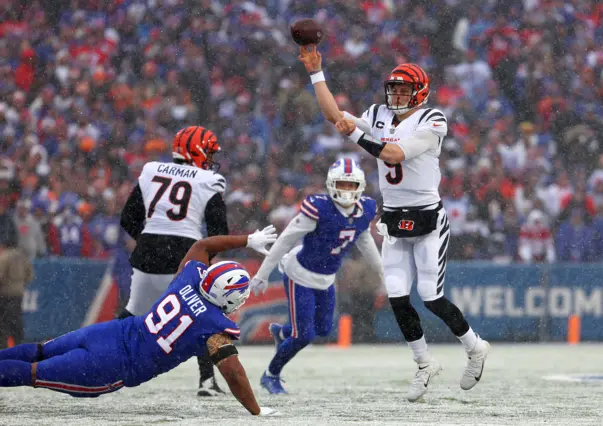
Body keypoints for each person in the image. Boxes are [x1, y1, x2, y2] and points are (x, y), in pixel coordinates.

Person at [298, 45, 490, 402]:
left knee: (431, 297)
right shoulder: (379, 113)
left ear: (420, 92)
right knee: (397, 296)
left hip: (428, 219)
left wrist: (352, 134)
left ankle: (475, 346)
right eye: (394, 89)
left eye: (404, 90)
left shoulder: (434, 120)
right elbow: (333, 114)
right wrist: (316, 74)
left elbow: (393, 154)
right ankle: (423, 363)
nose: (397, 95)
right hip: (394, 217)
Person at [0, 227, 280, 417]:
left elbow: (203, 245)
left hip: (112, 332)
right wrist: (256, 410)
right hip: (114, 365)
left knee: (40, 351)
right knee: (33, 373)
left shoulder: (190, 277)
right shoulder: (214, 326)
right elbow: (234, 374)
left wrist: (246, 240)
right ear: (230, 298)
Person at [250, 159, 383, 394]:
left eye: (352, 185)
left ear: (361, 187)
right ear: (331, 184)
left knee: (323, 329)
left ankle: (282, 333)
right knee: (305, 335)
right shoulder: (319, 208)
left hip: (326, 277)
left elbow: (365, 241)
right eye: (342, 184)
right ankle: (270, 375)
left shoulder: (365, 210)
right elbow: (286, 239)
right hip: (299, 274)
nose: (346, 190)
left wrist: (383, 274)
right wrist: (262, 273)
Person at [119, 125, 230, 396]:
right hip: (185, 251)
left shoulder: (151, 170)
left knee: (131, 315)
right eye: (210, 153)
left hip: (146, 250)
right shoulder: (208, 180)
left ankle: (100, 363)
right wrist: (201, 257)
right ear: (198, 151)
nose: (212, 159)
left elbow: (128, 219)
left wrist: (149, 239)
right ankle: (207, 381)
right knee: (203, 317)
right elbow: (219, 232)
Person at [0, 243, 34, 349]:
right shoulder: (22, 256)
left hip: (5, 294)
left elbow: (0, 275)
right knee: (16, 322)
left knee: (3, 323)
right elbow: (30, 275)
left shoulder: (4, 257)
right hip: (18, 294)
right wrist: (20, 284)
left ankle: (4, 347)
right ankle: (19, 346)